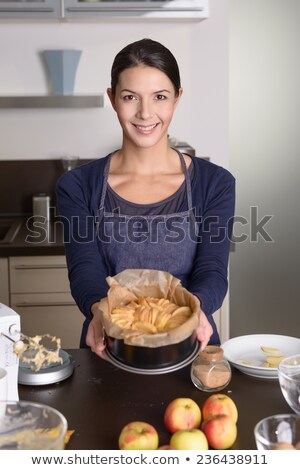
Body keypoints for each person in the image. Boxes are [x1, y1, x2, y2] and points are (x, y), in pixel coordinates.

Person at [56, 38, 235, 359]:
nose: (145, 113)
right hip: (109, 342)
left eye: (160, 97)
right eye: (130, 97)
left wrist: (193, 312)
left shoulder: (215, 183)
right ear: (112, 98)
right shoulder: (77, 186)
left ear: (177, 98)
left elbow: (212, 270)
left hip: (191, 341)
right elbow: (84, 271)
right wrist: (99, 310)